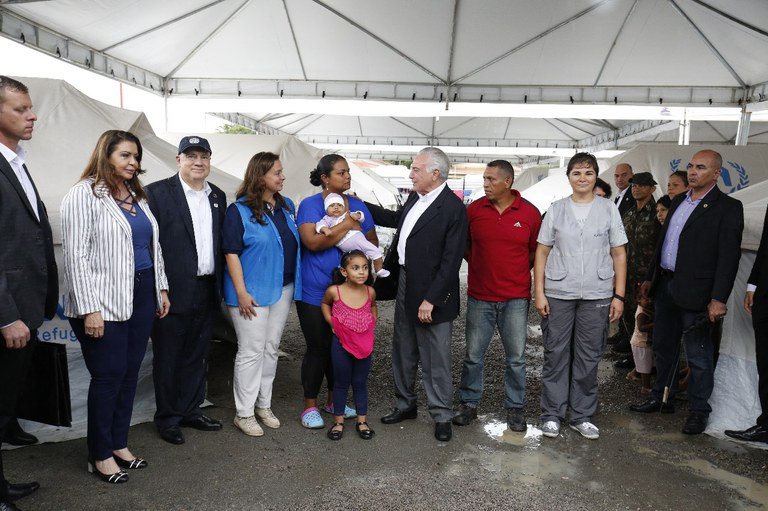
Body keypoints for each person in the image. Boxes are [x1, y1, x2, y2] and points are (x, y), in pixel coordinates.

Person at [61, 130, 170, 483]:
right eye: (124, 155)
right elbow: (75, 256)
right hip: (102, 300)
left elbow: (154, 247)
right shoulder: (84, 194)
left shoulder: (138, 196)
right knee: (108, 377)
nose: (133, 163)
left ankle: (118, 443)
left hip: (141, 294)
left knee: (128, 373)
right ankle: (99, 454)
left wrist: (161, 288)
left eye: (136, 157)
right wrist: (90, 308)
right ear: (105, 155)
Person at [630, 150, 743, 435]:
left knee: (698, 355)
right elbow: (663, 244)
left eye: (701, 167)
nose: (692, 172)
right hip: (666, 285)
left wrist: (718, 298)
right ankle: (661, 396)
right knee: (663, 347)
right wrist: (650, 278)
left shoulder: (728, 207)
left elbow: (728, 258)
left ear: (716, 173)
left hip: (698, 293)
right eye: (691, 166)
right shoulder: (679, 200)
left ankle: (698, 410)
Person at [365, 147, 468, 442]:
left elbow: (452, 261)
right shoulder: (415, 198)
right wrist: (361, 205)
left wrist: (431, 299)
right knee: (403, 347)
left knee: (436, 355)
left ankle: (442, 415)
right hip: (405, 281)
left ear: (435, 174)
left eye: (415, 170)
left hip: (432, 290)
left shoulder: (452, 208)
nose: (410, 174)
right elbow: (398, 222)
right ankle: (405, 403)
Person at [534, 152, 627, 440]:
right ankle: (552, 414)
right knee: (556, 353)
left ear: (596, 176)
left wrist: (619, 295)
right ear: (569, 177)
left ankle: (581, 415)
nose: (583, 178)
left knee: (588, 356)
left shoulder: (609, 209)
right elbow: (542, 251)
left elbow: (619, 253)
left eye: (588, 173)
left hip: (597, 293)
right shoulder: (556, 209)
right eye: (576, 173)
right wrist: (539, 292)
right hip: (559, 291)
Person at [145, 136, 227, 445]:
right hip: (172, 290)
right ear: (178, 159)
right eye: (190, 155)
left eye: (203, 155)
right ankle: (168, 418)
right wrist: (160, 288)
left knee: (198, 353)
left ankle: (191, 410)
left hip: (206, 288)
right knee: (169, 356)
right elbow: (150, 246)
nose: (198, 161)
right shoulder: (156, 193)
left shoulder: (217, 195)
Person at [0, 76, 58, 510]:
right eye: (20, 108)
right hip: (7, 312)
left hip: (26, 306)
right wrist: (6, 315)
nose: (31, 115)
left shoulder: (18, 161)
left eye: (30, 107)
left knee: (7, 401)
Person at [453, 160, 541, 432]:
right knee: (473, 355)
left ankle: (515, 407)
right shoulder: (474, 210)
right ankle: (469, 403)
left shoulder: (529, 213)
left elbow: (535, 251)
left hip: (515, 298)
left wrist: (513, 271)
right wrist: (480, 263)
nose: (486, 184)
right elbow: (465, 245)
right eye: (485, 179)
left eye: (491, 179)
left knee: (516, 357)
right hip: (480, 295)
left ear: (508, 182)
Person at [223, 152, 301, 437]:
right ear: (260, 176)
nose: (282, 177)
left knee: (270, 349)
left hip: (283, 287)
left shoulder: (286, 205)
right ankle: (243, 413)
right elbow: (231, 253)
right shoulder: (238, 210)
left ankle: (263, 404)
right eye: (277, 173)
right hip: (251, 293)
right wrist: (241, 292)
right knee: (251, 351)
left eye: (281, 172)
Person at [295, 154, 376, 429]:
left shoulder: (358, 205)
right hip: (315, 291)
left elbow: (370, 241)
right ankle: (309, 406)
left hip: (349, 295)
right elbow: (312, 242)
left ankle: (333, 402)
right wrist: (347, 226)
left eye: (348, 172)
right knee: (317, 348)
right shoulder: (309, 205)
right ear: (325, 178)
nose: (347, 177)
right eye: (341, 173)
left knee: (339, 348)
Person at [320, 250, 378, 441]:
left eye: (364, 268)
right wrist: (331, 322)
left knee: (360, 382)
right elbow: (325, 304)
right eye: (355, 268)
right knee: (341, 382)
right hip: (341, 343)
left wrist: (372, 322)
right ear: (344, 272)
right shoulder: (334, 291)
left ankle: (362, 421)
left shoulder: (370, 292)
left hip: (364, 344)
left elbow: (373, 307)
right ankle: (338, 421)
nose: (361, 272)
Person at [724, 205, 768, 444]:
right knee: (766, 365)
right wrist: (752, 284)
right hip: (765, 297)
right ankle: (766, 425)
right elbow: (764, 246)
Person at [614, 172, 661, 359]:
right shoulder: (630, 212)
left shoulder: (657, 213)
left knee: (643, 315)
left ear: (652, 188)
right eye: (634, 185)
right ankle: (631, 349)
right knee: (627, 311)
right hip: (628, 273)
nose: (636, 188)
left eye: (641, 185)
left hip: (646, 275)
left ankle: (643, 360)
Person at [315, 193, 389, 278]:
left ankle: (378, 269)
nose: (336, 207)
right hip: (343, 244)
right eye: (332, 205)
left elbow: (361, 216)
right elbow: (319, 225)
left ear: (343, 208)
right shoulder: (327, 219)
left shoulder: (346, 214)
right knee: (352, 259)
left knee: (372, 252)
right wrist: (324, 229)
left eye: (339, 205)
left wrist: (357, 215)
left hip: (357, 239)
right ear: (326, 209)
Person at [626, 295, 654, 395]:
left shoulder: (645, 309)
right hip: (641, 343)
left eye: (650, 299)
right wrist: (656, 324)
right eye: (646, 299)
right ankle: (646, 387)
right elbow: (641, 327)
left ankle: (632, 374)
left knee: (643, 363)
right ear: (638, 300)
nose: (649, 301)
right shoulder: (641, 313)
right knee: (645, 367)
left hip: (641, 342)